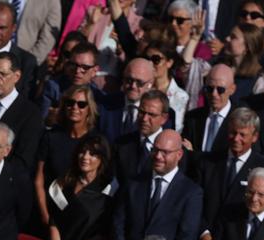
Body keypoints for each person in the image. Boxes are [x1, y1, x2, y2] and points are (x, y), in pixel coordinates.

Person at [112, 130, 203, 240]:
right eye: (155, 150)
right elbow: (117, 227)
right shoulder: (133, 183)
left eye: (165, 152)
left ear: (179, 155)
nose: (158, 156)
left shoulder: (191, 192)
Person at [195, 108, 264, 240]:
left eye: (242, 135)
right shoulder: (208, 162)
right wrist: (204, 233)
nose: (236, 139)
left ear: (255, 137)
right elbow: (195, 202)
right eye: (233, 133)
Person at [34, 85, 100, 226]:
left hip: (81, 216)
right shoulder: (50, 137)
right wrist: (45, 215)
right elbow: (39, 178)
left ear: (89, 109)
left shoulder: (96, 141)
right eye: (70, 103)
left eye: (81, 104)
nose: (75, 107)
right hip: (50, 208)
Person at [181, 63, 236, 170]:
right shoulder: (193, 118)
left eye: (220, 90)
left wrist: (194, 154)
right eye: (210, 89)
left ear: (232, 89)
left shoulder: (239, 120)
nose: (214, 94)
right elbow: (185, 152)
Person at [113, 89, 171, 182]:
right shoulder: (121, 144)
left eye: (151, 114)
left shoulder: (173, 150)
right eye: (141, 112)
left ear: (164, 118)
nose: (144, 119)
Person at [39, 41, 103, 124]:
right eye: (74, 65)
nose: (77, 71)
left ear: (94, 70)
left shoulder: (97, 95)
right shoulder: (53, 87)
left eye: (84, 67)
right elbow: (41, 119)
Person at [98, 57, 156, 143]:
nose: (133, 86)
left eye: (139, 82)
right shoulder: (105, 104)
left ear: (150, 84)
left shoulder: (158, 113)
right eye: (129, 80)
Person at [142, 40, 189, 133]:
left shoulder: (181, 96)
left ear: (169, 62)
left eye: (156, 59)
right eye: (147, 59)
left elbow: (179, 128)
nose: (150, 64)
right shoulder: (141, 90)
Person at [222, 22, 264, 102]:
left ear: (247, 47)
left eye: (233, 37)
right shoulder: (219, 66)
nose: (227, 39)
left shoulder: (258, 80)